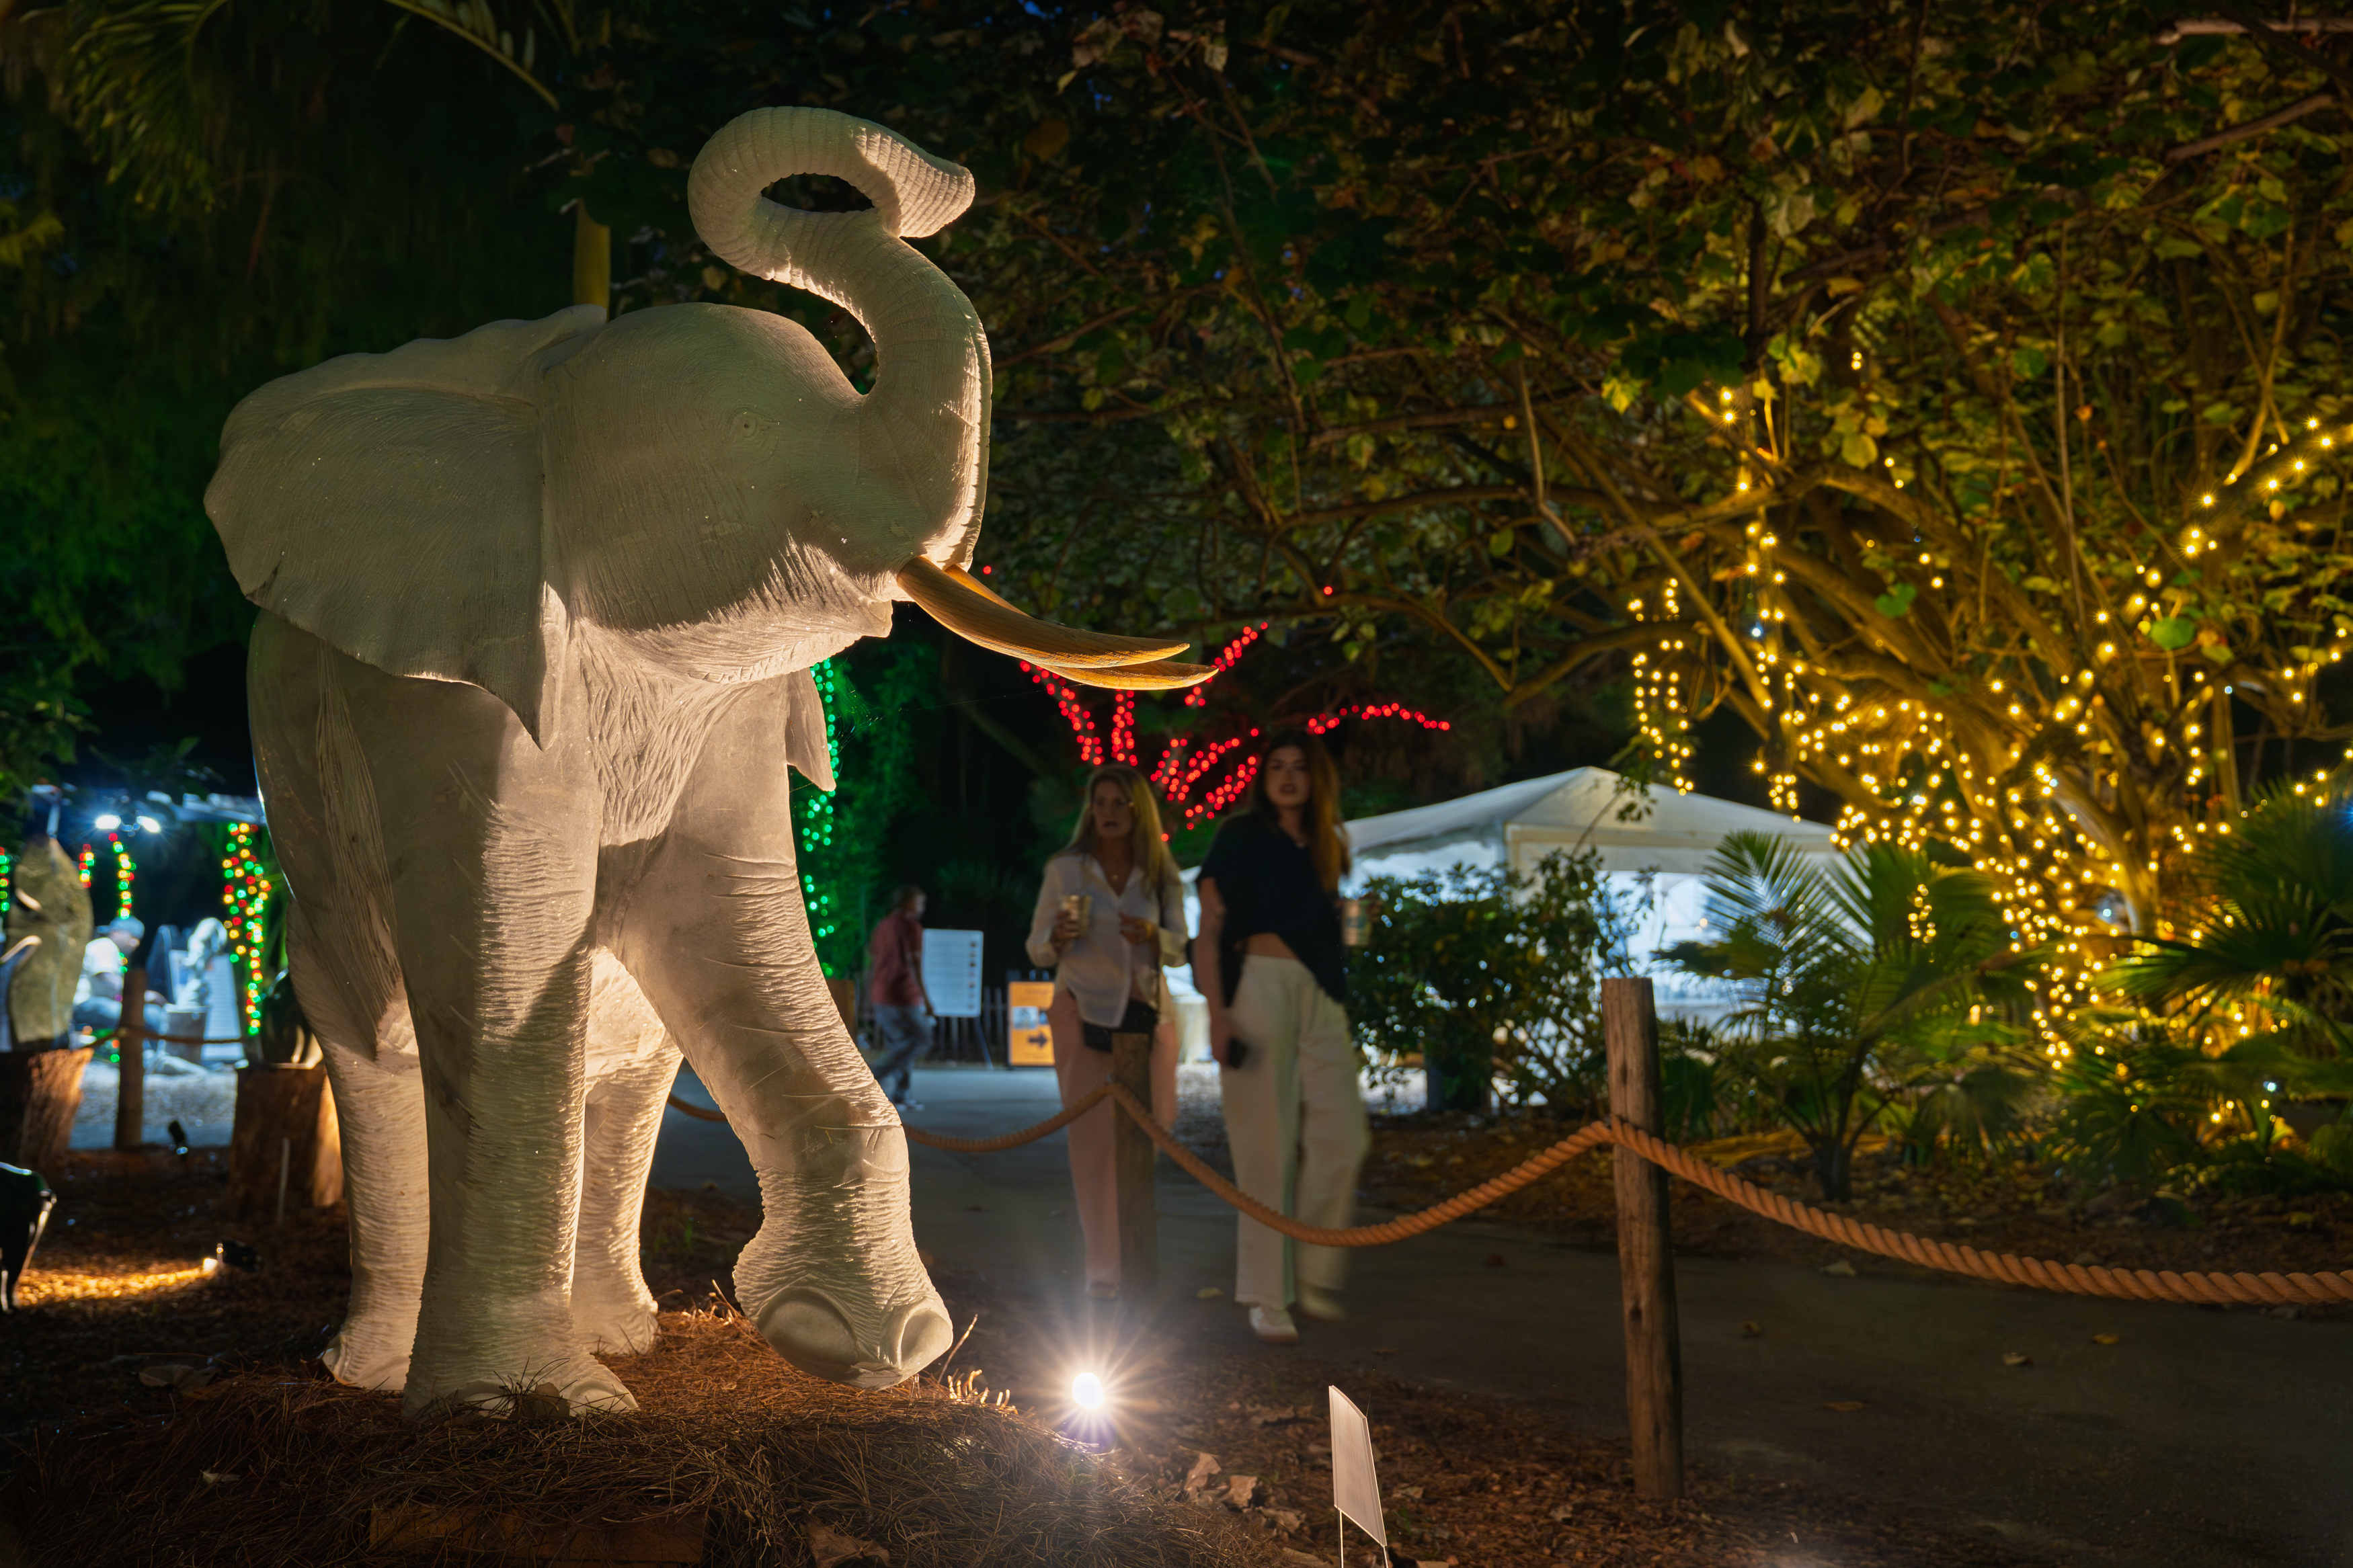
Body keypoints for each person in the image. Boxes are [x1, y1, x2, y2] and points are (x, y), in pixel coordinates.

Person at [1195, 729, 1365, 1345]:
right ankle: (1268, 1294)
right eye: (1277, 766)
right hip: (1256, 985)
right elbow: (1209, 927)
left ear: (1317, 777)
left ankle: (1312, 1268)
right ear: (1263, 776)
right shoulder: (1239, 836)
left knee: (1343, 1134)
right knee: (1265, 1147)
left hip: (1322, 993)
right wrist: (1217, 1010)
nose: (1288, 776)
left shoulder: (1328, 844)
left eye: (1300, 767)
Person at [1025, 764, 1186, 1301]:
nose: (1110, 812)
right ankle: (1105, 1271)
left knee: (1153, 1130)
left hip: (1146, 1018)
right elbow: (1036, 947)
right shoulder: (1066, 870)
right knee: (1091, 1147)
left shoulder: (1159, 874)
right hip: (1083, 1012)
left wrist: (1153, 934)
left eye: (1121, 803)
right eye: (1101, 802)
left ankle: (1135, 1253)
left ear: (1139, 809)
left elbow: (1182, 946)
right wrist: (1057, 936)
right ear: (1090, 810)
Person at [866, 885, 933, 1108]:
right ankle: (874, 1076)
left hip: (881, 993)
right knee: (921, 1038)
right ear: (909, 903)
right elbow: (914, 962)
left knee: (900, 1044)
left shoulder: (882, 926)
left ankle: (902, 1095)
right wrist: (926, 998)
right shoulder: (911, 927)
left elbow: (873, 960)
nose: (923, 907)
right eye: (920, 902)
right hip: (903, 995)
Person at [71, 916, 167, 1038]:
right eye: (132, 937)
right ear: (116, 933)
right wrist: (141, 995)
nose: (135, 943)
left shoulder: (112, 950)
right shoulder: (105, 945)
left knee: (145, 1014)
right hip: (84, 1003)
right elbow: (107, 978)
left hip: (96, 1002)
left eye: (138, 939)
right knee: (149, 1015)